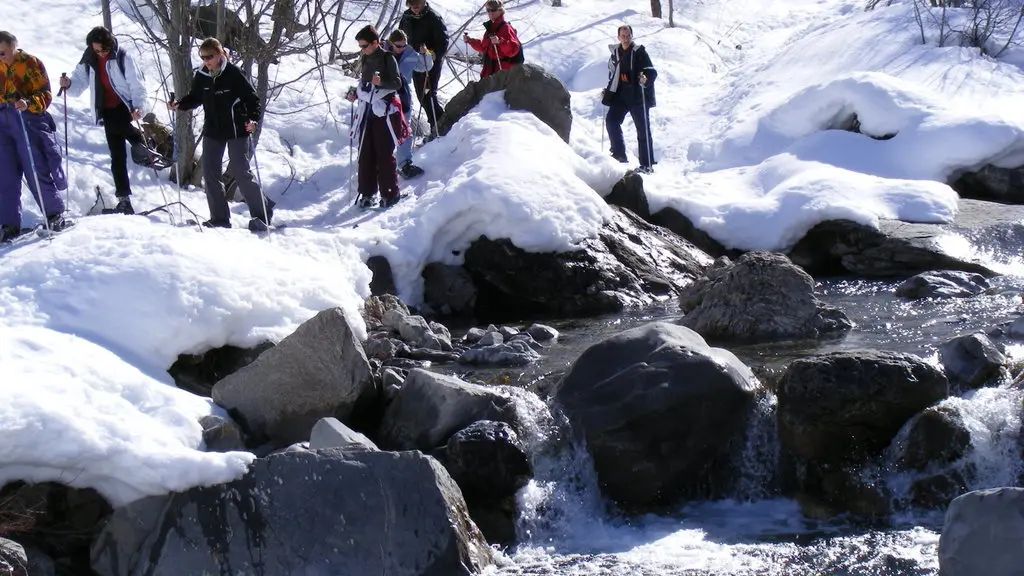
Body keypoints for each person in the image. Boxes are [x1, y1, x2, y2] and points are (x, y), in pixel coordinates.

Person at [168, 37, 273, 231]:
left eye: (210, 56)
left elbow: (252, 100)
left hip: (236, 129)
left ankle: (262, 213)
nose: (206, 60)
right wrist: (180, 105)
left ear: (220, 55)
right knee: (210, 173)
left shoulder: (233, 74)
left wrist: (253, 120)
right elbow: (195, 97)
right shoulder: (202, 75)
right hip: (213, 130)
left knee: (241, 172)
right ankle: (219, 218)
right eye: (203, 57)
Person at [60, 26, 149, 215]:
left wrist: (139, 107)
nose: (100, 54)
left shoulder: (123, 56)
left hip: (124, 104)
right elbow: (79, 81)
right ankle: (124, 199)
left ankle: (138, 140)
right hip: (105, 108)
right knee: (116, 156)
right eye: (97, 50)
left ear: (110, 44)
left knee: (115, 127)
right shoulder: (90, 58)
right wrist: (68, 85)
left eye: (104, 50)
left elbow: (136, 84)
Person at [0, 31, 70, 241]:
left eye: (3, 52)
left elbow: (45, 94)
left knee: (34, 166)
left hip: (26, 118)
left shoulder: (30, 63)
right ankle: (9, 223)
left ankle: (54, 214)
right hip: (2, 120)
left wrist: (28, 103)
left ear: (13, 47)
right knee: (5, 173)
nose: (0, 56)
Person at [346, 25, 406, 209]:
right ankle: (366, 193)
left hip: (384, 111)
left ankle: (390, 193)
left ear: (375, 42)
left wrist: (381, 83)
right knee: (365, 153)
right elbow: (363, 83)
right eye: (360, 46)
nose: (362, 49)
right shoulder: (365, 58)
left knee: (384, 154)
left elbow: (397, 83)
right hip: (366, 111)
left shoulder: (388, 58)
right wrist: (354, 93)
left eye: (364, 46)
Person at [602, 25, 657, 173]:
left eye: (628, 36)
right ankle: (619, 155)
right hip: (621, 95)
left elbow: (651, 71)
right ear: (618, 37)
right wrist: (607, 92)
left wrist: (645, 79)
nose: (626, 38)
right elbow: (613, 75)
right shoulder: (615, 53)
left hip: (638, 95)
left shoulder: (639, 51)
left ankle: (647, 165)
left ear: (632, 36)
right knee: (611, 120)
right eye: (623, 36)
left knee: (643, 129)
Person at [399, 0, 447, 141]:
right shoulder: (407, 17)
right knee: (421, 95)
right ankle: (438, 125)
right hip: (412, 59)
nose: (415, 8)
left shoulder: (433, 18)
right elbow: (400, 35)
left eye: (417, 5)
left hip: (429, 61)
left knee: (428, 94)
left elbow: (443, 42)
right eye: (412, 5)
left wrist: (431, 52)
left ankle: (438, 127)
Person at [386, 29, 431, 180]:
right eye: (399, 46)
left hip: (403, 95)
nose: (402, 48)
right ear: (391, 43)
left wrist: (425, 55)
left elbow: (424, 66)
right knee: (383, 130)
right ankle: (381, 161)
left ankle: (404, 164)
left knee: (404, 129)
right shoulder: (381, 51)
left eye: (404, 45)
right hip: (384, 95)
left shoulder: (411, 53)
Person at [464, 0, 523, 79]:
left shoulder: (506, 28)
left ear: (500, 10)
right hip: (490, 74)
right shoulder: (490, 28)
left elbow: (513, 49)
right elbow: (484, 47)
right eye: (488, 10)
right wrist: (470, 41)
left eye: (493, 10)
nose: (490, 12)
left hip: (503, 75)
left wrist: (500, 42)